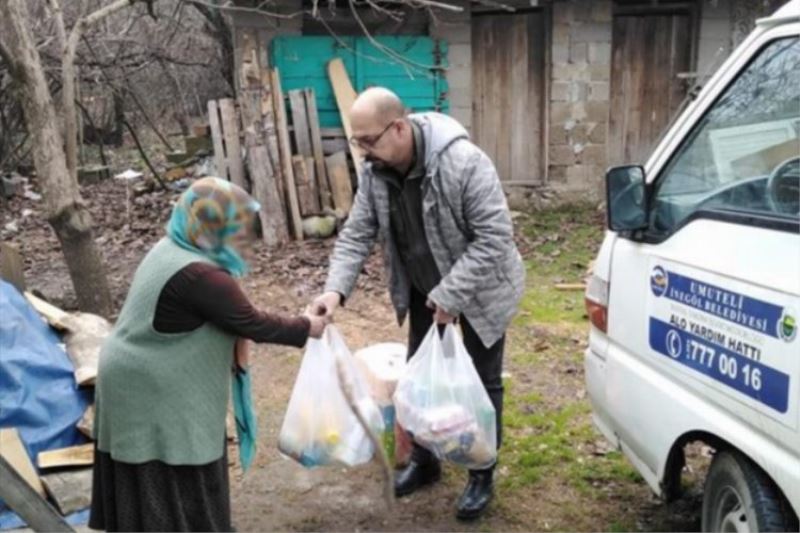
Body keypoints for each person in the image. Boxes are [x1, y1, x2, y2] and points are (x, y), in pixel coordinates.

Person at [310, 88, 525, 520]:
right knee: (420, 380)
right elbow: (357, 233)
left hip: (482, 289)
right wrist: (335, 290)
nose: (363, 151)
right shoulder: (375, 171)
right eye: (357, 142)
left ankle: (481, 472)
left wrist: (451, 295)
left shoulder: (463, 163)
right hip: (425, 291)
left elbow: (495, 239)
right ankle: (427, 463)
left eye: (368, 140)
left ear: (400, 128)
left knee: (483, 382)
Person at [90, 177, 328, 532]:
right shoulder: (201, 275)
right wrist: (307, 326)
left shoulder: (172, 246)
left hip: (136, 375)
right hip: (150, 388)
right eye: (233, 225)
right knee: (172, 466)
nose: (240, 235)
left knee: (158, 472)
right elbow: (252, 322)